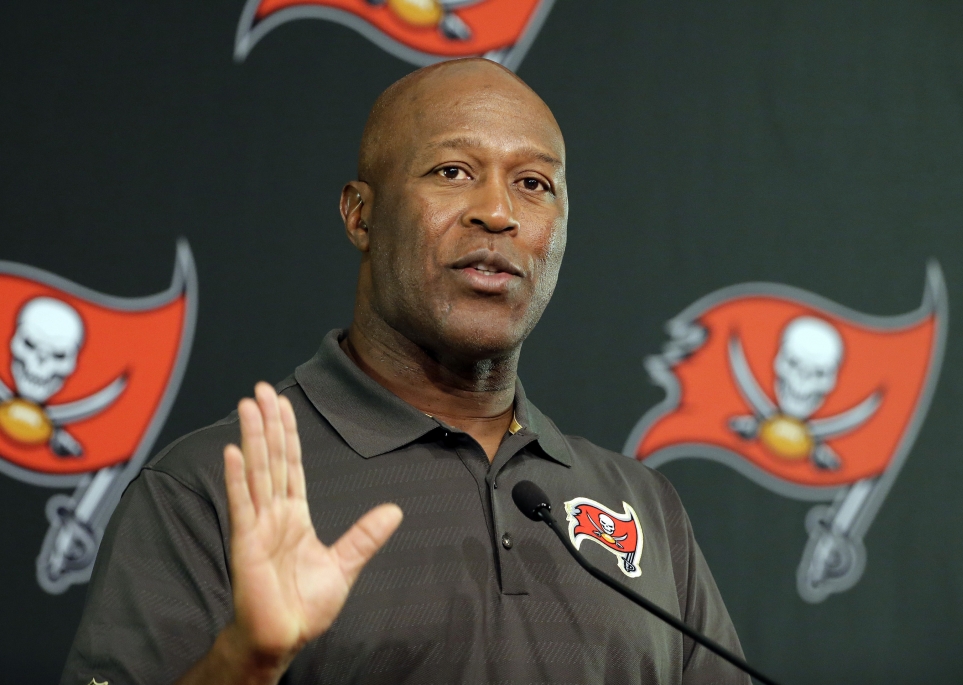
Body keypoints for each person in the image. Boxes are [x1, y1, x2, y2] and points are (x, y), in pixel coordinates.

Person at [61, 58, 750, 685]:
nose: (498, 211)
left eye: (534, 183)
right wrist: (248, 660)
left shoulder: (646, 507)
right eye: (452, 171)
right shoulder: (209, 490)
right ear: (361, 214)